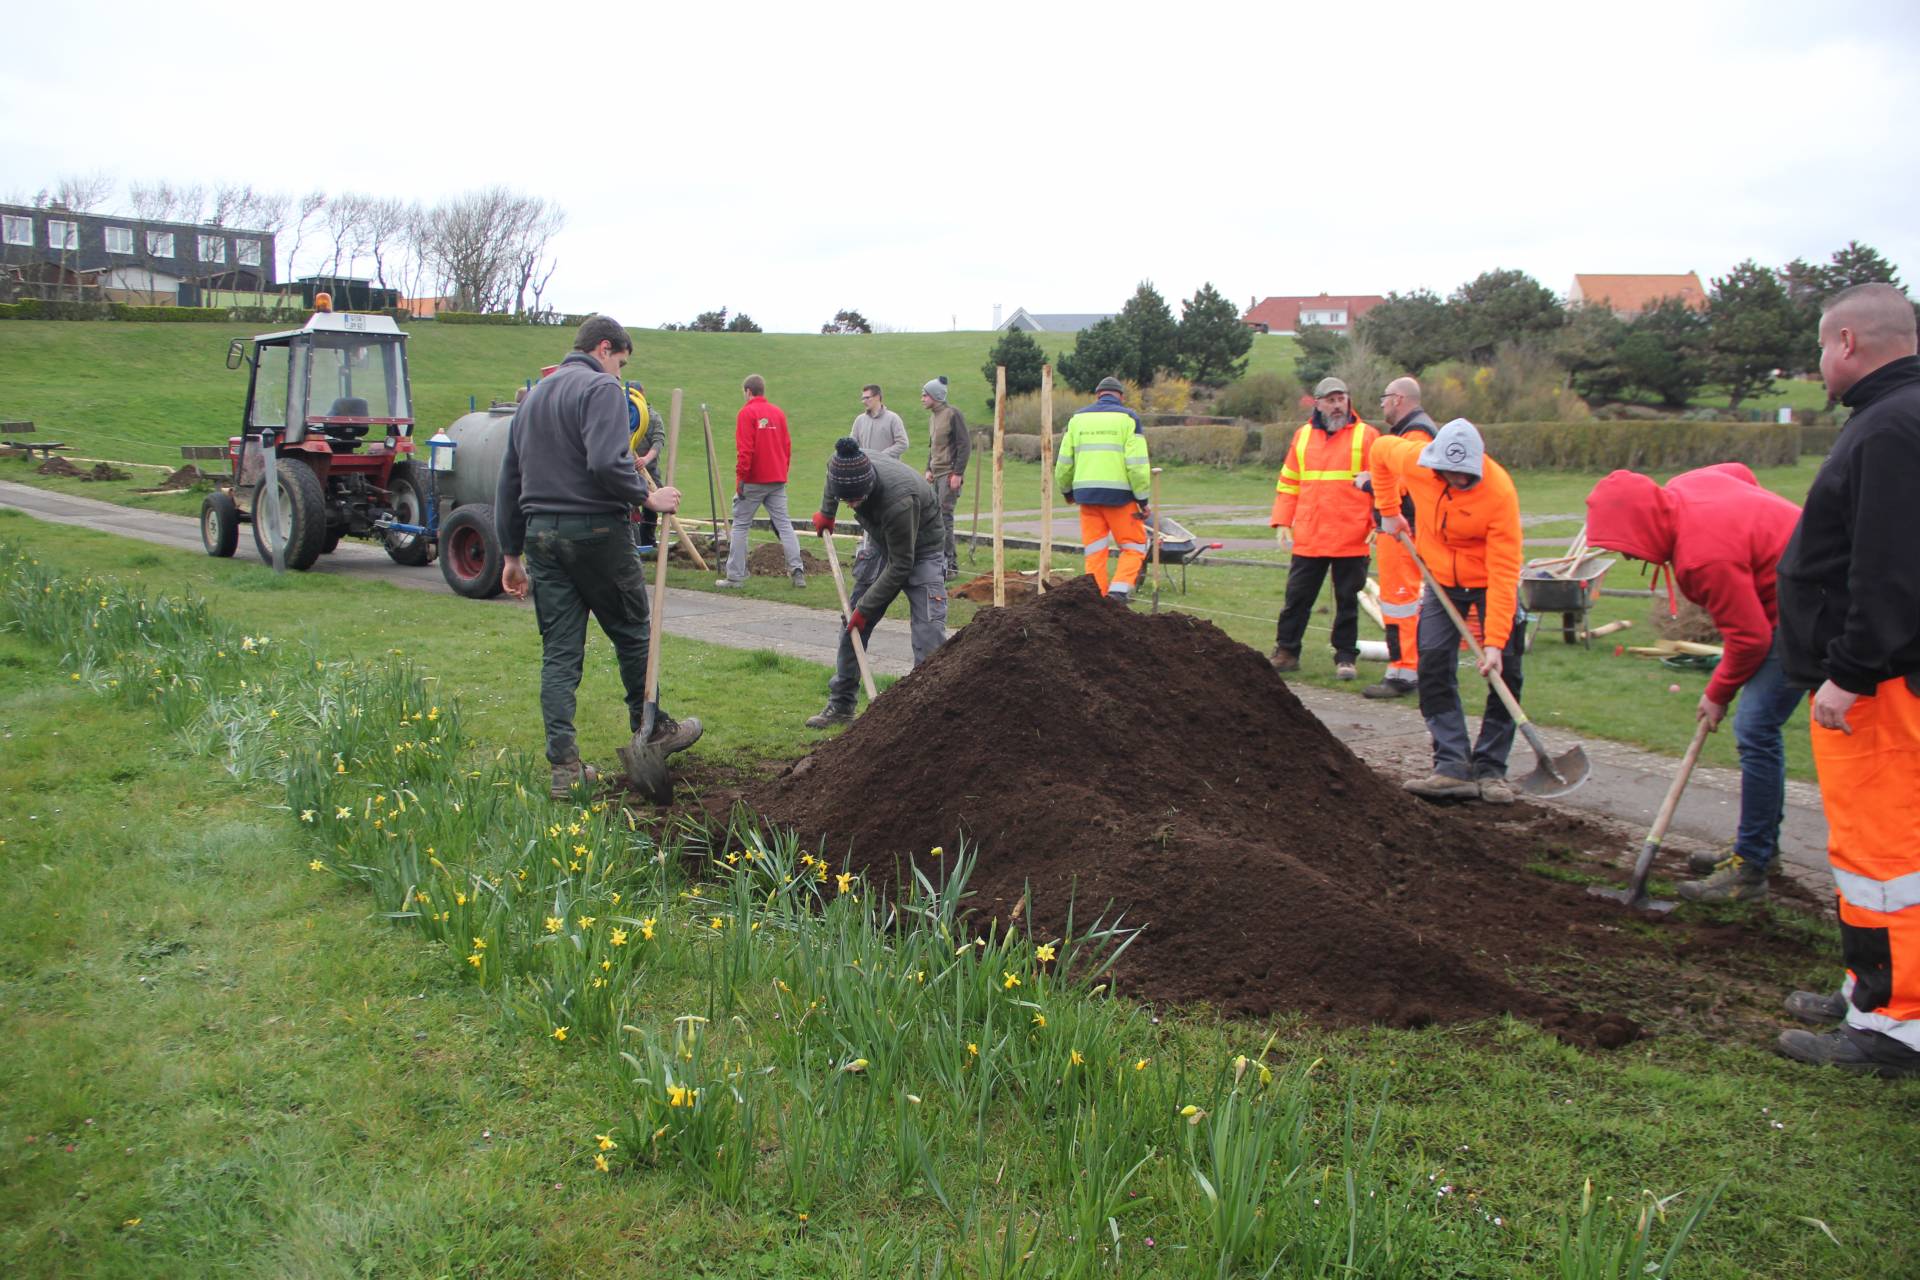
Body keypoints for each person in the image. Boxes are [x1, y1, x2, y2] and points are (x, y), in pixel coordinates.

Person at [1772, 282, 1920, 1078]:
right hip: (1888, 679)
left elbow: (1889, 569)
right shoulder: (1892, 420)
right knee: (1888, 852)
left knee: (1884, 856)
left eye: (1822, 348)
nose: (1819, 364)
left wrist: (1851, 672)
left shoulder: (1892, 429)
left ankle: (1893, 1028)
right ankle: (1874, 987)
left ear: (1849, 344)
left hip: (1882, 687)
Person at [495, 316, 702, 800]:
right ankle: (652, 729)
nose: (619, 372)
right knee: (632, 629)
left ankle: (565, 768)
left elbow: (510, 480)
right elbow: (605, 463)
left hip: (542, 538)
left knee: (560, 653)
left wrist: (510, 553)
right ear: (604, 348)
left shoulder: (533, 399)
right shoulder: (602, 389)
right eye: (620, 362)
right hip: (596, 531)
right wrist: (648, 498)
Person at [1585, 463, 1805, 902]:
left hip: (1804, 608)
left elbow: (1751, 638)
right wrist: (1756, 530)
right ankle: (1760, 846)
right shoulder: (1684, 487)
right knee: (1759, 727)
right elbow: (1740, 472)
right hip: (1799, 575)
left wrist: (1716, 693)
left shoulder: (1702, 557)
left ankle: (1751, 870)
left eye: (1626, 546)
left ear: (1641, 525)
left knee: (1755, 729)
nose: (1629, 557)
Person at [1371, 418, 1524, 804]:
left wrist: (1493, 643)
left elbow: (1505, 572)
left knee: (1506, 668)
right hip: (1440, 581)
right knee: (1434, 663)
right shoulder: (1418, 461)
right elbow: (1378, 452)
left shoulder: (1500, 493)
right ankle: (1452, 765)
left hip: (1490, 582)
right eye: (1448, 475)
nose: (1456, 482)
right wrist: (1388, 510)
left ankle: (1491, 769)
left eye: (1464, 477)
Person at [803, 438, 949, 727]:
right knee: (852, 627)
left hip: (921, 548)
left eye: (856, 499)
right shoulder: (843, 465)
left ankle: (928, 720)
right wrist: (827, 512)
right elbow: (832, 482)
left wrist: (865, 609)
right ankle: (842, 706)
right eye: (848, 501)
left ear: (869, 485)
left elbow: (902, 564)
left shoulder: (898, 501)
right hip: (883, 542)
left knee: (929, 634)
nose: (853, 505)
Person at [1269, 376, 1380, 679]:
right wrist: (1282, 520)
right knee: (1297, 598)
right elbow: (1289, 482)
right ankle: (1287, 652)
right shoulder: (1302, 436)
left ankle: (1345, 658)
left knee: (1348, 602)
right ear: (1317, 403)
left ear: (1348, 400)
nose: (1336, 405)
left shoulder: (1367, 436)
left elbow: (1382, 484)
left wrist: (1376, 523)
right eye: (1330, 400)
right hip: (1310, 534)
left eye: (1341, 398)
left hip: (1351, 533)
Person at [1362, 377, 1437, 698]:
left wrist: (1369, 484)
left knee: (1400, 602)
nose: (1381, 405)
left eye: (1384, 398)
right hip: (1403, 529)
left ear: (1397, 399)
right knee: (1402, 602)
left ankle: (1404, 672)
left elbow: (1408, 481)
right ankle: (1406, 664)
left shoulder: (1416, 434)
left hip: (1404, 531)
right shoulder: (1415, 430)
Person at [1056, 375, 1152, 603]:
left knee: (1095, 550)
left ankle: (1096, 599)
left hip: (1087, 497)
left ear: (1098, 395)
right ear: (1121, 396)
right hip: (1121, 498)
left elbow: (1064, 463)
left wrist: (1067, 491)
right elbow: (1137, 466)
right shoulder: (1129, 418)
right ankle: (1118, 594)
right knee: (1135, 546)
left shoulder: (1077, 419)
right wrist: (1143, 500)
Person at [718, 373, 806, 589]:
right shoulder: (778, 413)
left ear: (748, 392)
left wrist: (741, 479)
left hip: (754, 480)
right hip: (777, 480)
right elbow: (787, 446)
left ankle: (735, 576)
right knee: (784, 525)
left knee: (740, 525)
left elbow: (745, 450)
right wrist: (782, 473)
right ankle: (797, 571)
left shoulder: (746, 413)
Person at [920, 376, 971, 578]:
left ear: (935, 396)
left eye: (925, 395)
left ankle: (950, 565)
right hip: (936, 474)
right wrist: (928, 468)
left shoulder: (952, 414)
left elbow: (964, 445)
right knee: (934, 518)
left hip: (949, 475)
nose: (922, 399)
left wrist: (957, 473)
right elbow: (933, 446)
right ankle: (936, 561)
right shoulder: (933, 416)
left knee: (944, 519)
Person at [626, 381, 666, 553]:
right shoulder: (623, 414)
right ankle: (632, 542)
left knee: (653, 505)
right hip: (627, 469)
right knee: (628, 505)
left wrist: (645, 459)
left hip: (649, 470)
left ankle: (648, 542)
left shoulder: (653, 417)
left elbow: (658, 442)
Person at [850, 384, 909, 459]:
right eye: (863, 399)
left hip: (888, 468)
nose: (864, 401)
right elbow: (852, 443)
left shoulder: (893, 418)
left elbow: (902, 443)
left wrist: (881, 456)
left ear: (877, 397)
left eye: (867, 398)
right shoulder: (860, 420)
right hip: (866, 468)